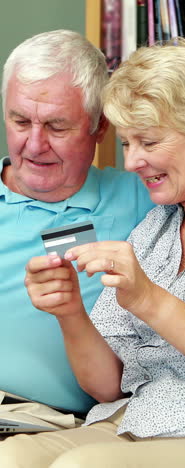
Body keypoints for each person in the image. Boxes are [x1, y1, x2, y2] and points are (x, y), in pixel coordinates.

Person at [6, 38, 185, 467]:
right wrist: (70, 311)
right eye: (127, 144)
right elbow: (109, 386)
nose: (131, 162)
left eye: (148, 141)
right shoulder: (155, 227)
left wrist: (148, 299)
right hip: (136, 419)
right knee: (12, 456)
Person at [0, 29, 154, 418]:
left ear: (100, 126)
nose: (33, 146)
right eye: (20, 121)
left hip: (56, 422)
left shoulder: (143, 199)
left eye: (56, 127)